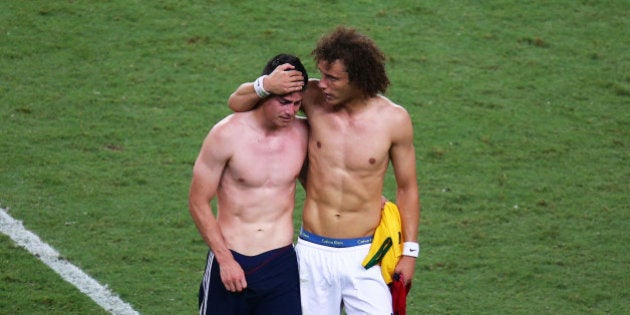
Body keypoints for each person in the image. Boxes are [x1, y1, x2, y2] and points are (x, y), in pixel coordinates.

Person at [228, 26, 420, 315]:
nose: (322, 84)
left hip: (366, 256)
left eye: (333, 78)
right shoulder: (314, 98)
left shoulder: (393, 120)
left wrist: (410, 253)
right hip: (312, 253)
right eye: (322, 74)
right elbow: (237, 103)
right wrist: (266, 84)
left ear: (358, 79)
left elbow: (407, 189)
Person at [188, 53, 309, 315]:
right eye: (284, 102)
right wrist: (224, 260)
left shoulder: (303, 134)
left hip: (280, 263)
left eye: (297, 103)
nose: (290, 111)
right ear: (265, 95)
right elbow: (198, 201)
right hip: (232, 259)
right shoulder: (227, 134)